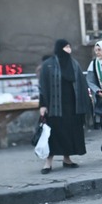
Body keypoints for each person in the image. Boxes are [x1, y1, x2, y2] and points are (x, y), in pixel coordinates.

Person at [38, 39, 91, 174]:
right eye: (66, 47)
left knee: (70, 133)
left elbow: (81, 84)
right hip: (55, 107)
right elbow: (43, 86)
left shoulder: (74, 64)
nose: (69, 49)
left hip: (72, 106)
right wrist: (43, 105)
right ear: (59, 48)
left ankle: (67, 159)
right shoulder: (48, 65)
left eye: (69, 46)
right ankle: (48, 162)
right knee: (53, 134)